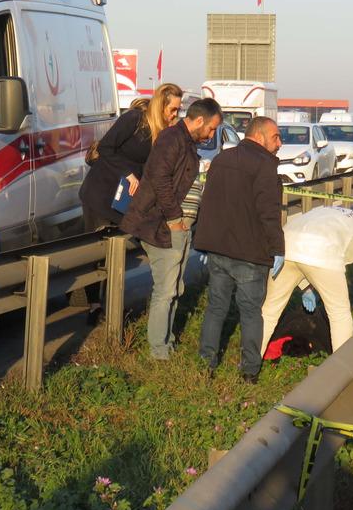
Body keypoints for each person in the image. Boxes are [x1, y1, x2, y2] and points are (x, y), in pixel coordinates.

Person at [121, 97, 222, 359]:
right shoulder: (172, 138)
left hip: (175, 226)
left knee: (175, 288)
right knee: (166, 291)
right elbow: (160, 178)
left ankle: (167, 342)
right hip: (163, 225)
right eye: (211, 129)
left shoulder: (185, 142)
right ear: (199, 121)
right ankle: (159, 351)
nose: (212, 135)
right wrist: (175, 219)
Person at [78, 84, 184, 322]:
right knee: (96, 252)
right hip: (101, 192)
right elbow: (106, 147)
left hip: (124, 200)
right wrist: (128, 173)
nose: (175, 114)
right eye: (173, 109)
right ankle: (94, 305)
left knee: (116, 252)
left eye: (178, 110)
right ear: (161, 105)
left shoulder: (162, 131)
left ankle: (110, 303)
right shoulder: (134, 120)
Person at [194, 116, 284, 381]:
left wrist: (204, 241)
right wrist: (277, 249)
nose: (279, 143)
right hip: (250, 253)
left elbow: (208, 203)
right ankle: (250, 372)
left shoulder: (221, 159)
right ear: (259, 136)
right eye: (275, 137)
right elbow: (269, 213)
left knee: (216, 308)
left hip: (218, 249)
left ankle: (205, 364)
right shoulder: (265, 166)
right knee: (251, 313)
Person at [260, 206, 353, 354]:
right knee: (339, 313)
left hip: (286, 242)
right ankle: (342, 365)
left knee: (269, 312)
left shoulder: (349, 217)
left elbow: (312, 262)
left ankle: (250, 362)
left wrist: (307, 288)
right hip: (321, 245)